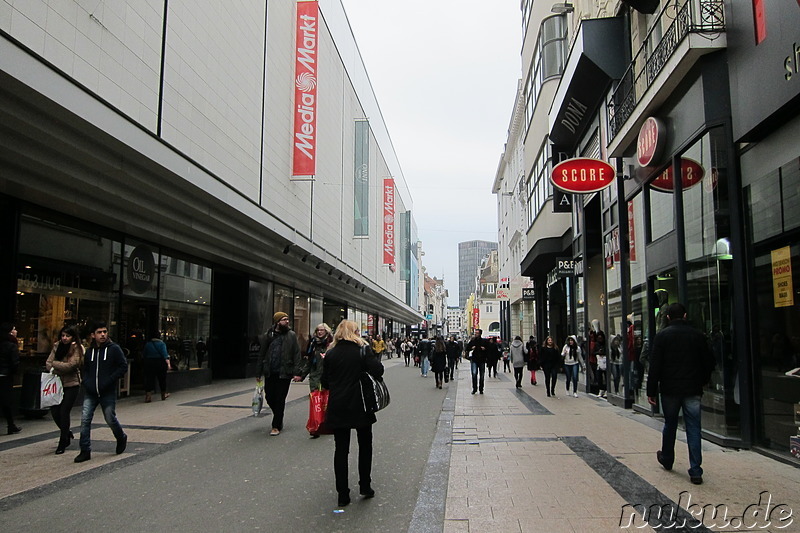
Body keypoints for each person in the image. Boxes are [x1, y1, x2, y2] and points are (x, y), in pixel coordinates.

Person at [647, 302, 715, 485]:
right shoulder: (697, 336)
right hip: (692, 388)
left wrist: (651, 390)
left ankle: (667, 458)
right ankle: (695, 470)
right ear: (685, 316)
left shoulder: (662, 336)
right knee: (693, 427)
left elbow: (655, 366)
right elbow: (708, 361)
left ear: (668, 317)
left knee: (670, 423)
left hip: (670, 389)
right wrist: (703, 379)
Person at [321, 320, 384, 507]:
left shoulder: (331, 354)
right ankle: (365, 485)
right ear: (354, 332)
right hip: (361, 404)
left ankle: (343, 494)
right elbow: (378, 371)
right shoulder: (362, 350)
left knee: (341, 449)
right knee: (365, 445)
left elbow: (325, 382)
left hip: (338, 405)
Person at [74, 321, 129, 463]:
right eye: (99, 332)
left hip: (107, 391)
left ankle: (121, 437)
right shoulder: (90, 351)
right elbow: (84, 368)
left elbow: (123, 366)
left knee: (110, 418)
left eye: (105, 331)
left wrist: (110, 380)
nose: (103, 334)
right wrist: (86, 381)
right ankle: (85, 450)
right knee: (85, 419)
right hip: (91, 391)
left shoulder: (114, 349)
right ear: (93, 335)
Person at [256, 312, 303, 436]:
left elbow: (297, 354)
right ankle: (278, 416)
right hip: (270, 372)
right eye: (284, 319)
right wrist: (258, 371)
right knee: (269, 397)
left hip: (285, 372)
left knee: (280, 398)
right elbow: (262, 354)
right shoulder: (268, 335)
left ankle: (276, 425)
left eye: (287, 319)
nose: (287, 321)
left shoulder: (291, 335)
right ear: (277, 322)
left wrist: (297, 372)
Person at [46, 326, 84, 453]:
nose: (64, 338)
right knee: (55, 410)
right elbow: (48, 363)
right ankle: (67, 432)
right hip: (57, 383)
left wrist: (55, 365)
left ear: (73, 337)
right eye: (63, 335)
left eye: (67, 336)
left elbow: (72, 366)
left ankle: (63, 441)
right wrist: (54, 366)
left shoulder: (77, 348)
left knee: (64, 411)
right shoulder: (57, 345)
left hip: (72, 383)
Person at [300, 323, 332, 438]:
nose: (320, 332)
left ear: (326, 331)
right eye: (318, 330)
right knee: (316, 402)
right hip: (315, 377)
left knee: (326, 402)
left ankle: (327, 422)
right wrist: (301, 375)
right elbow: (308, 362)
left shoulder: (331, 344)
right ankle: (316, 425)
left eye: (322, 330)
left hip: (328, 378)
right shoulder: (313, 344)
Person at [0, 322, 22, 435]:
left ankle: (11, 425)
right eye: (14, 329)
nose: (16, 331)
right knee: (6, 402)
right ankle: (10, 424)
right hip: (5, 376)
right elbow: (15, 363)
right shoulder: (11, 345)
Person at [142, 331, 171, 403]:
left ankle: (148, 396)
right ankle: (163, 395)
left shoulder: (148, 344)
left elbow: (144, 354)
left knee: (149, 379)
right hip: (160, 363)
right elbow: (165, 355)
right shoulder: (162, 344)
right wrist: (168, 364)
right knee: (162, 379)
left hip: (149, 363)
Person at [466, 329, 489, 394]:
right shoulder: (472, 341)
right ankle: (474, 388)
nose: (475, 334)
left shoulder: (484, 341)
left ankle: (481, 389)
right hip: (474, 360)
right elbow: (467, 348)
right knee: (474, 374)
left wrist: (484, 349)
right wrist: (471, 348)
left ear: (480, 334)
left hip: (482, 360)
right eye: (475, 333)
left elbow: (488, 349)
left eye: (477, 333)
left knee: (482, 375)